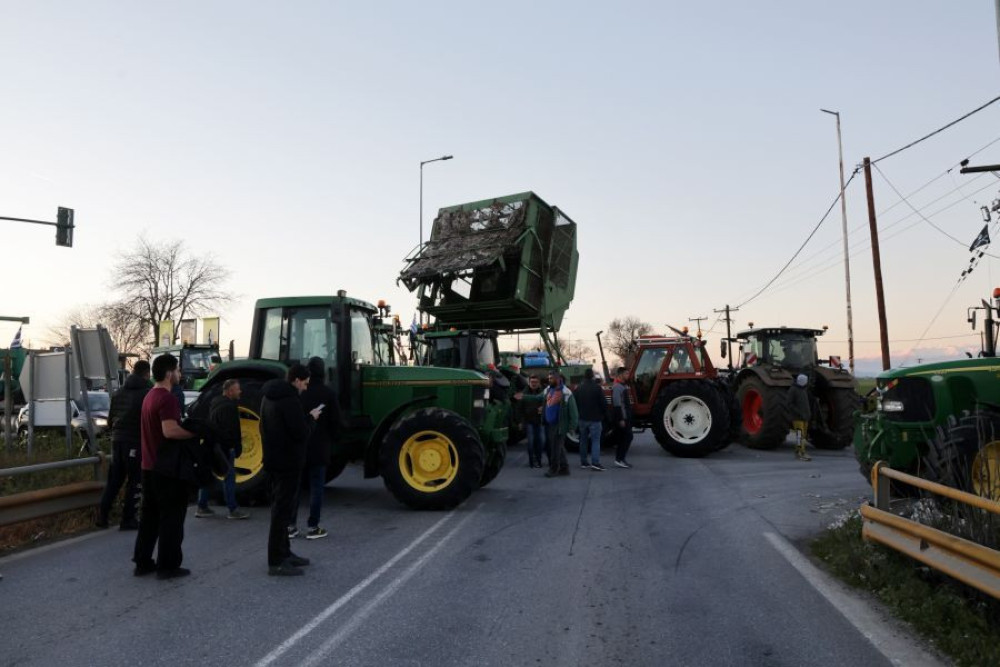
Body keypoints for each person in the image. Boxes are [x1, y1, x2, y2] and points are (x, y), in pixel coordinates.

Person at [132, 354, 198, 580]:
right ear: (170, 373)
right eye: (178, 370)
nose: (180, 374)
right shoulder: (167, 399)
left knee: (149, 517)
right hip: (166, 469)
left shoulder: (149, 396)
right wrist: (194, 433)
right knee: (172, 517)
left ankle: (142, 562)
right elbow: (169, 430)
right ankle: (168, 566)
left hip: (148, 466)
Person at [261, 364, 321, 576]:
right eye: (304, 383)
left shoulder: (268, 397)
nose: (305, 388)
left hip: (274, 460)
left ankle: (285, 553)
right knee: (282, 512)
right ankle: (276, 560)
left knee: (282, 510)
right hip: (288, 463)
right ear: (296, 380)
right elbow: (301, 433)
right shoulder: (290, 401)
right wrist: (312, 418)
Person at [290, 357, 341, 540]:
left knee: (295, 488)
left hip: (300, 447)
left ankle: (291, 526)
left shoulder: (298, 393)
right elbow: (336, 422)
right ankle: (313, 526)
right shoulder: (329, 393)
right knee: (316, 488)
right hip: (320, 447)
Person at [97, 360, 151, 530]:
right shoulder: (146, 393)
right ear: (147, 374)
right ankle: (128, 518)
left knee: (114, 480)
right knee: (135, 480)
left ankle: (102, 516)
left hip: (117, 441)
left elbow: (110, 420)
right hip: (134, 441)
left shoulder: (118, 393)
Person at [195, 379, 249, 520]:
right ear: (230, 391)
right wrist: (234, 447)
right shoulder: (229, 407)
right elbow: (230, 431)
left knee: (209, 475)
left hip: (212, 445)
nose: (240, 391)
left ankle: (202, 506)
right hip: (224, 448)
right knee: (229, 477)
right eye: (238, 389)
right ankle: (233, 509)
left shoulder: (215, 402)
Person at [518, 371, 578, 477]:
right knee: (559, 447)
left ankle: (553, 469)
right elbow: (538, 397)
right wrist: (524, 396)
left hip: (560, 425)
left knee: (555, 448)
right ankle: (564, 468)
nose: (549, 380)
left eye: (551, 378)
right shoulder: (548, 390)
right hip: (550, 424)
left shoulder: (566, 392)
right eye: (549, 378)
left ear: (558, 379)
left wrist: (572, 426)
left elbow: (573, 411)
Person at [574, 368, 606, 471]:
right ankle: (595, 463)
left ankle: (584, 462)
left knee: (583, 441)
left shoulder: (578, 388)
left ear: (584, 376)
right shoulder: (597, 388)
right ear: (592, 376)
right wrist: (603, 415)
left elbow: (575, 403)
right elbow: (603, 404)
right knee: (595, 441)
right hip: (595, 419)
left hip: (582, 418)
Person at [521, 375, 546, 468]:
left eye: (535, 382)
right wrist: (520, 421)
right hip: (529, 421)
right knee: (531, 442)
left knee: (541, 441)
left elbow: (548, 402)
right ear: (529, 383)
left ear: (539, 383)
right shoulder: (524, 392)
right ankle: (532, 460)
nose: (534, 384)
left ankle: (538, 460)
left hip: (540, 421)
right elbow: (519, 407)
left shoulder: (543, 392)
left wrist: (543, 408)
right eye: (532, 382)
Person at [612, 367, 634, 468]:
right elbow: (617, 405)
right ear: (620, 375)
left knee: (623, 438)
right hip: (623, 418)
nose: (627, 376)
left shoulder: (622, 386)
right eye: (626, 374)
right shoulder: (617, 387)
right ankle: (620, 459)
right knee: (628, 437)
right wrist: (621, 419)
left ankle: (619, 459)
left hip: (625, 417)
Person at [788, 374, 812, 461]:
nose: (807, 382)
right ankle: (801, 453)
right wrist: (799, 413)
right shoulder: (793, 390)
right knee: (799, 435)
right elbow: (790, 404)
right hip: (797, 418)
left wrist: (807, 414)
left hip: (805, 417)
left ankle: (798, 451)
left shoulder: (803, 390)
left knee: (803, 436)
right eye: (805, 381)